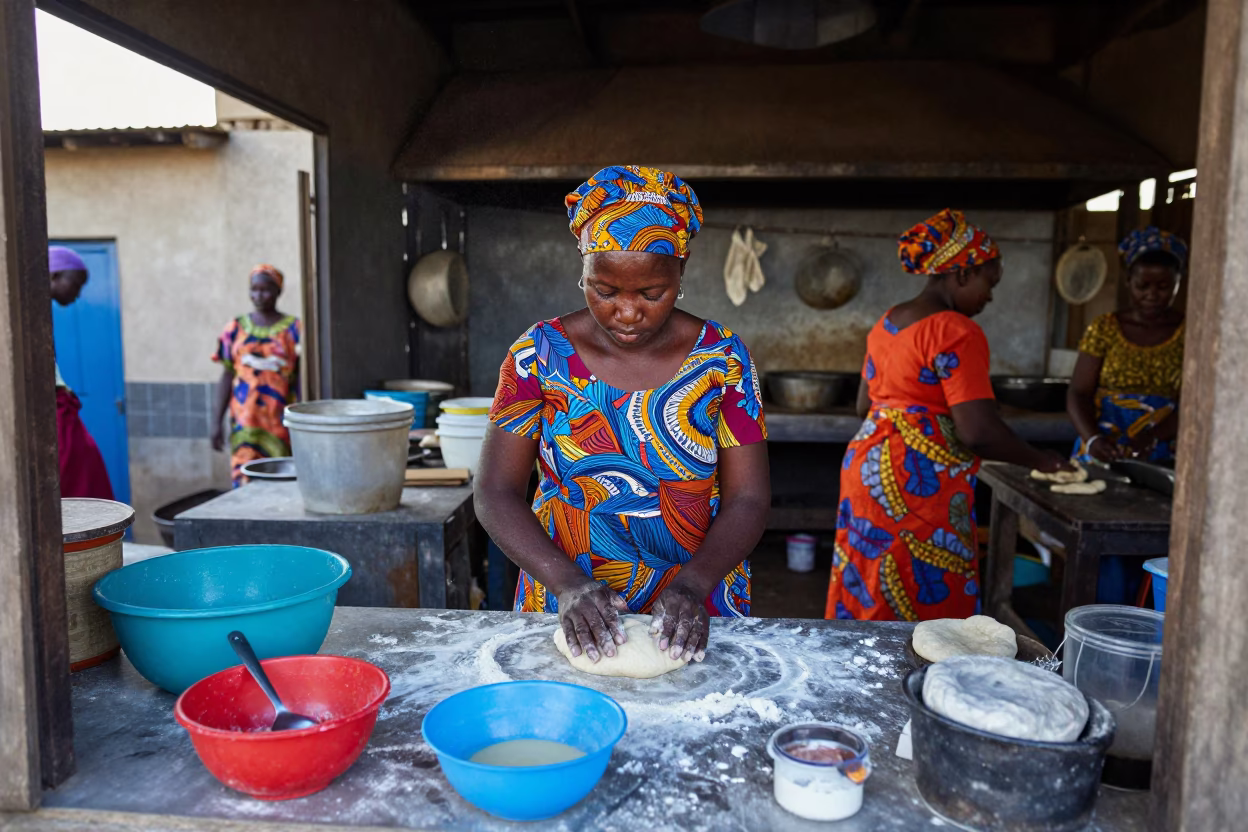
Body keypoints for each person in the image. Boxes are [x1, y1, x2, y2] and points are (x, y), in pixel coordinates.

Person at [475, 165, 771, 665]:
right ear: (583, 269)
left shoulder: (722, 358)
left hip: (695, 608)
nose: (627, 312)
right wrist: (568, 585)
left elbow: (748, 498)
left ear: (682, 267)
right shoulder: (538, 355)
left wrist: (693, 585)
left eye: (651, 293)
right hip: (564, 603)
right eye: (604, 290)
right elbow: (495, 493)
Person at [824, 209, 1068, 622]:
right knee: (924, 594)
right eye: (989, 283)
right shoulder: (955, 330)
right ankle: (920, 684)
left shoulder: (888, 322)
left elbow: (864, 405)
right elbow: (978, 432)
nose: (989, 297)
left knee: (871, 581)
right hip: (919, 483)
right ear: (961, 274)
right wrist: (1043, 460)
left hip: (866, 470)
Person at [1067, 227, 1186, 465]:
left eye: (1163, 287)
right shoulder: (1105, 329)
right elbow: (1078, 393)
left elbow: (1192, 404)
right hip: (1102, 447)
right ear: (1128, 281)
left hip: (1164, 450)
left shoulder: (1191, 333)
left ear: (1178, 283)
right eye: (1143, 285)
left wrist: (1151, 438)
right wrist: (1092, 440)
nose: (1152, 295)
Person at [211, 264, 301, 487]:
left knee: (282, 482)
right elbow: (226, 375)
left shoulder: (294, 329)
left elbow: (301, 379)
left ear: (279, 291)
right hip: (245, 422)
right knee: (244, 481)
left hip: (280, 422)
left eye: (266, 289)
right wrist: (215, 421)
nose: (258, 296)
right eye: (254, 289)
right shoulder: (235, 328)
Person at [49, 246, 114, 499]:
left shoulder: (41, 315)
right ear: (54, 276)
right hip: (55, 411)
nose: (78, 295)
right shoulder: (25, 316)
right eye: (75, 285)